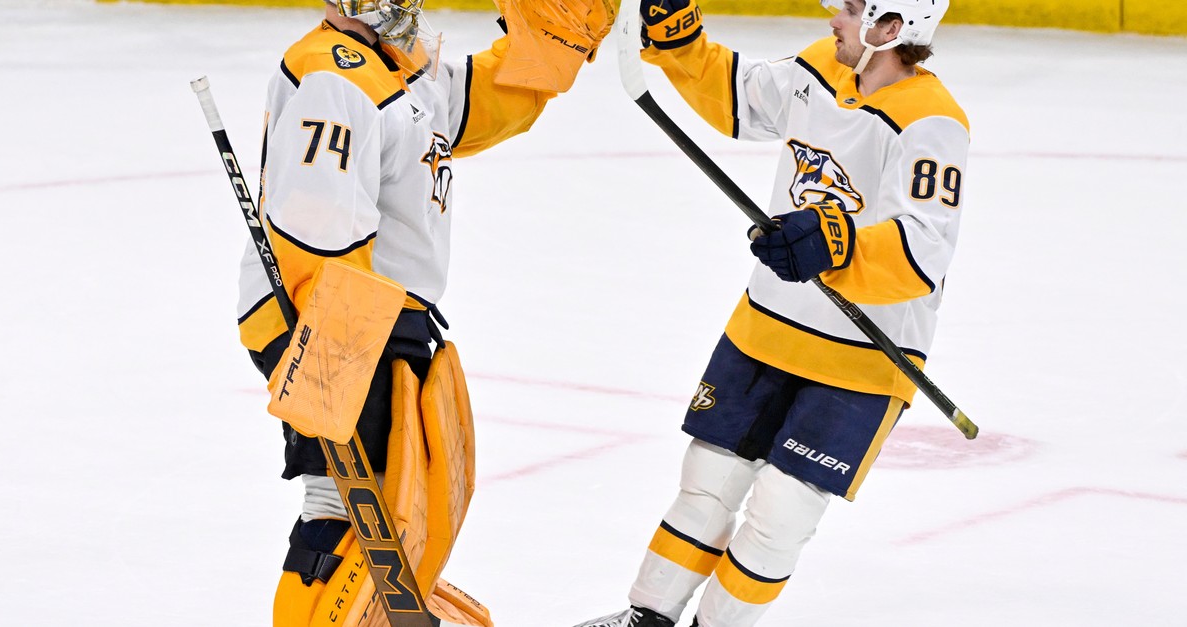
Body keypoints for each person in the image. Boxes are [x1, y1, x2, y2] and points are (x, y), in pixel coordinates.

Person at [576, 0, 967, 625]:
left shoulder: (934, 123)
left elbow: (924, 248)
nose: (833, 16)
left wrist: (837, 243)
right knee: (706, 485)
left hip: (864, 359)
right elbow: (739, 98)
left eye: (852, 8)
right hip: (765, 327)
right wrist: (679, 40)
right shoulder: (819, 67)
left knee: (780, 515)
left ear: (892, 27)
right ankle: (646, 618)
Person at [233, 1, 614, 625]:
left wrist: (552, 44)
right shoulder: (333, 75)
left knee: (394, 506)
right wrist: (335, 360)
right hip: (329, 318)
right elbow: (318, 233)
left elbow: (482, 103)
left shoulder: (399, 62)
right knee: (342, 509)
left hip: (378, 314)